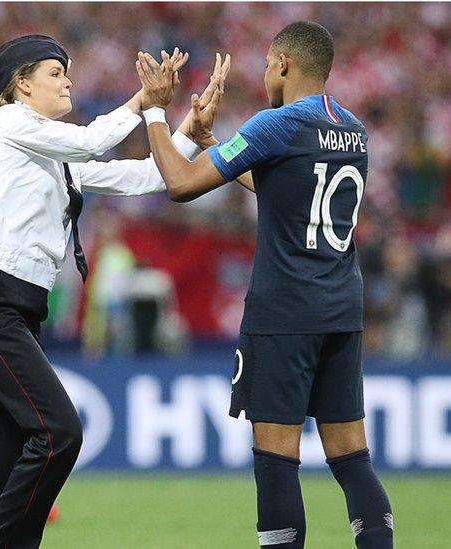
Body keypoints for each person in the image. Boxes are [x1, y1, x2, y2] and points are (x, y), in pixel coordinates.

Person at [0, 35, 227, 548]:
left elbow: (144, 176)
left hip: (14, 308)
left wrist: (188, 128)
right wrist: (143, 104)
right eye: (54, 72)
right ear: (21, 85)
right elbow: (89, 142)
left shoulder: (51, 155)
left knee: (2, 463)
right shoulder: (10, 123)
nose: (67, 80)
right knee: (59, 434)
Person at [136, 21, 393, 549]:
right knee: (351, 458)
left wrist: (157, 112)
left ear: (283, 65)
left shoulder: (276, 123)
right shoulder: (353, 128)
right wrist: (213, 141)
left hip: (284, 312)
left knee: (276, 460)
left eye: (267, 65)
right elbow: (288, 188)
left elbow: (182, 185)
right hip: (341, 308)